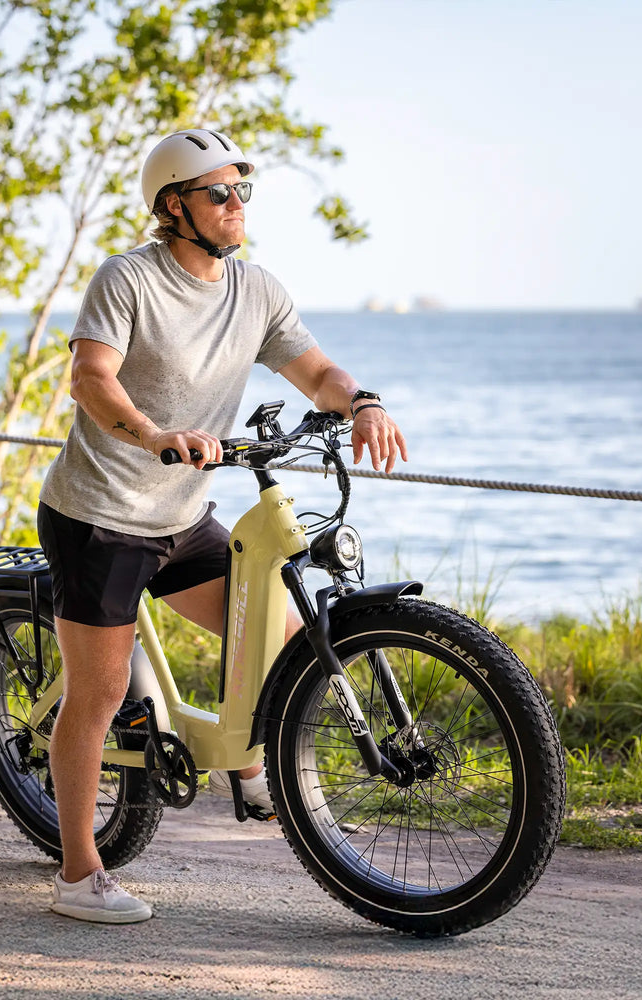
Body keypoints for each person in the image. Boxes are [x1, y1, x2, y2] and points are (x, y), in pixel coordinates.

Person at [37, 128, 407, 924]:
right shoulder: (128, 280)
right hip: (101, 516)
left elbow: (314, 371)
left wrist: (363, 400)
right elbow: (89, 377)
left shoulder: (257, 289)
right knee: (99, 694)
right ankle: (78, 873)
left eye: (244, 191)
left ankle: (244, 759)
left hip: (180, 513)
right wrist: (153, 432)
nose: (237, 205)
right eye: (220, 192)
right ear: (175, 206)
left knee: (267, 632)